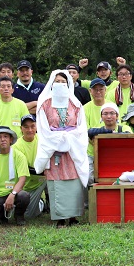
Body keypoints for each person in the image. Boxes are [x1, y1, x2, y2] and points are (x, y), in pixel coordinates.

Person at [34, 70, 90, 227]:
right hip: (53, 150)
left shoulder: (76, 104)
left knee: (73, 182)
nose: (60, 84)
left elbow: (81, 127)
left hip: (73, 150)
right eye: (57, 81)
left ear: (69, 84)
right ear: (52, 83)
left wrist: (68, 139)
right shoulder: (44, 104)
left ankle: (73, 217)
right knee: (57, 184)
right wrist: (59, 140)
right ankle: (59, 217)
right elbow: (44, 130)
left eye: (63, 82)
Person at [13, 114, 46, 220]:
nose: (30, 129)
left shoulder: (42, 139)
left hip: (44, 180)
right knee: (29, 216)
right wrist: (44, 171)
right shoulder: (17, 146)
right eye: (26, 127)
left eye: (32, 126)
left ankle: (52, 206)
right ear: (21, 129)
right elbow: (25, 169)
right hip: (28, 185)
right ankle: (41, 203)